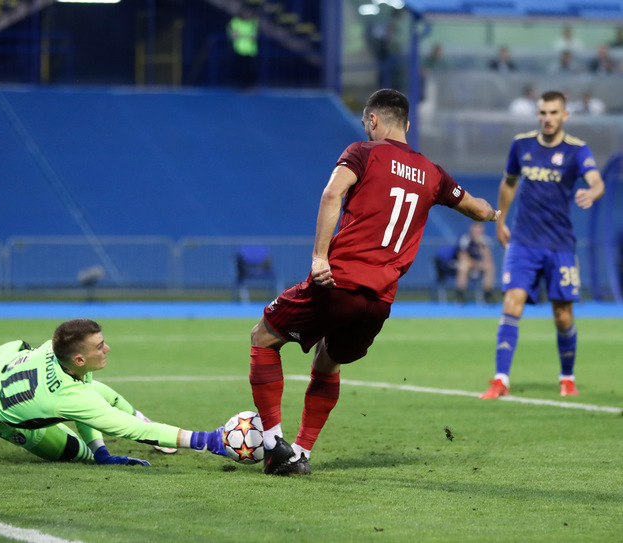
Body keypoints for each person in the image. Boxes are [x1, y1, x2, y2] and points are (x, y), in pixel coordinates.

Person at [247, 89, 500, 476]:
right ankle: (301, 454)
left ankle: (272, 443)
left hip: (340, 283)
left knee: (263, 337)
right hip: (379, 302)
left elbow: (332, 193)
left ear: (372, 120)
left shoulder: (363, 152)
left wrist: (318, 258)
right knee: (328, 362)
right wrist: (496, 212)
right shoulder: (432, 173)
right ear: (408, 125)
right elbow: (477, 208)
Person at [479, 91, 605, 400]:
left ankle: (567, 377)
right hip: (523, 241)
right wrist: (500, 219)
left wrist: (592, 193)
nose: (547, 118)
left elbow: (597, 181)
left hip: (560, 244)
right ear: (538, 115)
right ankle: (500, 380)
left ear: (565, 116)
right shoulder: (522, 145)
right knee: (512, 302)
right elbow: (508, 183)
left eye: (553, 113)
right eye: (543, 113)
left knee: (563, 315)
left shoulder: (577, 151)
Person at [0, 318, 227, 465]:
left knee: (102, 395)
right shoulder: (70, 395)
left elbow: (81, 405)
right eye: (100, 346)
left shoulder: (59, 350)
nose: (108, 349)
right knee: (81, 454)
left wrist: (103, 449)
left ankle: (140, 414)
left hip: (2, 361)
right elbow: (131, 430)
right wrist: (208, 440)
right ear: (80, 360)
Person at [454, 222, 496, 304]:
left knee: (490, 267)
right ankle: (460, 297)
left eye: (479, 230)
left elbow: (488, 259)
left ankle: (488, 297)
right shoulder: (465, 239)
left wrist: (481, 244)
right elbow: (462, 256)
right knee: (463, 266)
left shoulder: (485, 240)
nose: (476, 232)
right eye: (475, 229)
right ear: (471, 229)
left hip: (479, 265)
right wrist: (476, 264)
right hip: (468, 264)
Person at [226, 7, 259, 89]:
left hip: (251, 50)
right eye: (245, 12)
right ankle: (240, 86)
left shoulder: (253, 22)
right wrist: (246, 36)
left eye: (248, 12)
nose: (246, 14)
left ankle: (250, 86)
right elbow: (233, 36)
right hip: (239, 49)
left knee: (250, 70)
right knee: (240, 69)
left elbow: (254, 37)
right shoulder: (235, 22)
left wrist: (241, 35)